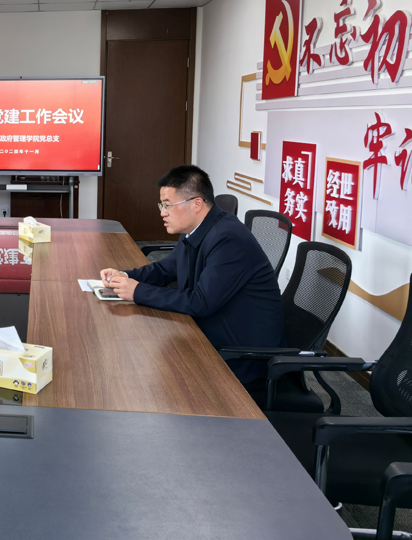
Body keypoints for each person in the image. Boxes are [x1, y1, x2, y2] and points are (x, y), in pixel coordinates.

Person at [99, 165, 285, 386]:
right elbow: (166, 269)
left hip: (240, 355)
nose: (162, 213)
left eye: (168, 205)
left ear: (197, 204)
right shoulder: (196, 228)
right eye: (161, 205)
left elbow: (201, 303)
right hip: (211, 330)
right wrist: (124, 276)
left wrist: (137, 291)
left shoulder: (228, 238)